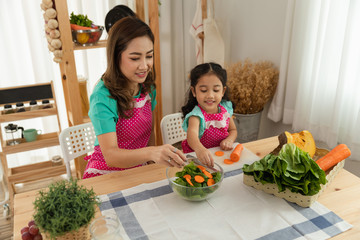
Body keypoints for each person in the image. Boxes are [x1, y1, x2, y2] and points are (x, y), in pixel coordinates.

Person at [83, 17, 186, 179]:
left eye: (149, 56)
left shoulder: (147, 87)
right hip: (107, 172)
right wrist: (152, 153)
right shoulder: (102, 96)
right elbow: (111, 156)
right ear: (116, 57)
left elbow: (149, 131)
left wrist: (153, 161)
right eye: (135, 58)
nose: (144, 66)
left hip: (139, 167)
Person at [181, 62, 237, 167]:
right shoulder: (196, 116)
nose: (210, 95)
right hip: (198, 159)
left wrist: (229, 140)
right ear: (194, 91)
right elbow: (191, 136)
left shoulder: (226, 110)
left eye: (216, 90)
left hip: (220, 157)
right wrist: (200, 149)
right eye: (203, 90)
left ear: (223, 91)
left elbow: (233, 130)